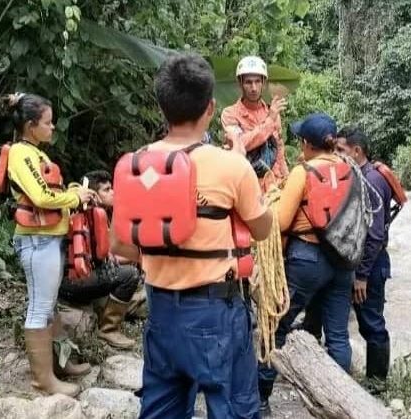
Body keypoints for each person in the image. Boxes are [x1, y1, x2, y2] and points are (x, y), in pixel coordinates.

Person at [109, 53, 272, 419]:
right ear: (211, 107)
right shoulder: (232, 166)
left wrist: (164, 252)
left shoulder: (135, 166)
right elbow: (262, 229)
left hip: (162, 313)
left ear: (161, 106)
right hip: (217, 315)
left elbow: (118, 245)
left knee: (160, 410)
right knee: (234, 410)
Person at [258, 113, 355, 413]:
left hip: (306, 260)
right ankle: (343, 404)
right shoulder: (349, 169)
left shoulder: (304, 172)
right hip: (343, 260)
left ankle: (260, 399)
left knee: (276, 328)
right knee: (338, 335)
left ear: (306, 143)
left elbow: (282, 221)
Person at [5, 93, 98, 396]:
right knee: (39, 307)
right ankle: (43, 380)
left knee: (49, 304)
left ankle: (60, 362)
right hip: (36, 242)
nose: (52, 127)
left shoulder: (37, 152)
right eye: (47, 123)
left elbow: (49, 189)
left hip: (48, 238)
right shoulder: (21, 154)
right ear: (31, 126)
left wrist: (73, 191)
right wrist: (75, 197)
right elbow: (41, 197)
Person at [301, 126, 394, 391]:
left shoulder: (371, 180)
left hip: (371, 265)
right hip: (356, 262)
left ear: (357, 151)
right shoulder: (354, 175)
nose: (337, 155)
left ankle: (377, 384)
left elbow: (375, 235)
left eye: (341, 150)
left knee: (371, 322)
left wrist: (362, 275)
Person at [57, 170, 141, 349]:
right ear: (93, 194)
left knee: (130, 273)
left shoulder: (101, 214)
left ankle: (111, 307)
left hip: (83, 275)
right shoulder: (84, 213)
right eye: (107, 190)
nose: (113, 193)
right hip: (71, 282)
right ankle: (109, 330)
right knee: (130, 275)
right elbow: (106, 256)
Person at [221, 55, 289, 189]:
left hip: (274, 185)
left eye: (258, 81)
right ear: (240, 83)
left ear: (264, 83)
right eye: (248, 82)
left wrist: (287, 178)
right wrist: (269, 121)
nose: (253, 88)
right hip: (246, 186)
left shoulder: (272, 112)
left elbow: (280, 149)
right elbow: (240, 144)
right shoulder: (230, 114)